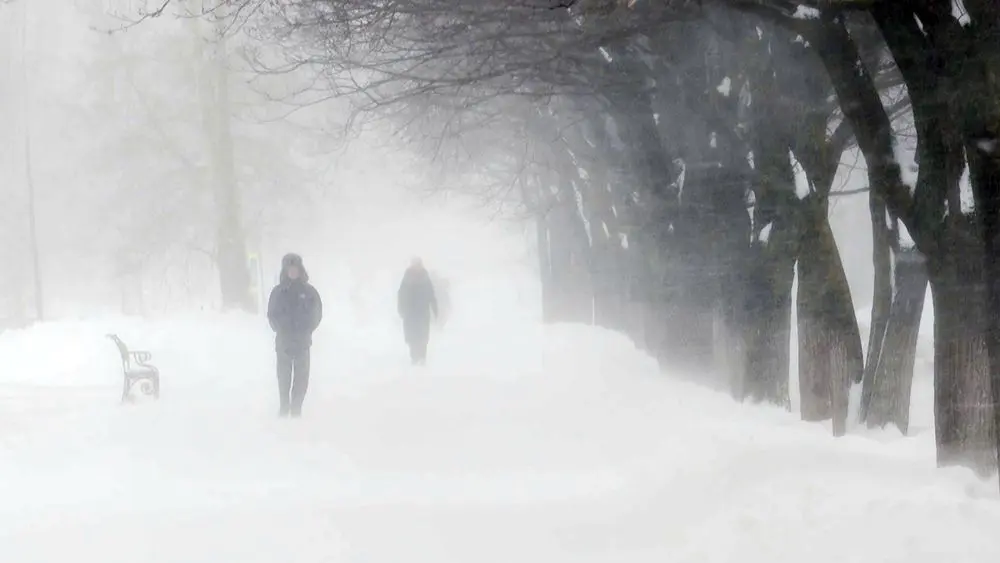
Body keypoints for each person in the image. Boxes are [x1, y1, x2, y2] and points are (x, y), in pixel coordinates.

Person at [267, 253, 322, 417]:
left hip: (303, 341)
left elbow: (317, 313)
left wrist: (307, 328)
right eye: (289, 269)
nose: (292, 272)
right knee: (283, 376)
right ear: (285, 271)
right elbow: (271, 314)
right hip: (283, 341)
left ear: (300, 270)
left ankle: (296, 407)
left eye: (295, 269)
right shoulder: (278, 292)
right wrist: (280, 327)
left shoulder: (309, 292)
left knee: (302, 377)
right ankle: (284, 405)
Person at [397, 257, 438, 365]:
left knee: (423, 336)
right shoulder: (406, 279)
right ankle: (414, 357)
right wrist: (401, 308)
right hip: (410, 313)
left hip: (422, 312)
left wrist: (435, 309)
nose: (416, 267)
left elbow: (431, 294)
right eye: (414, 265)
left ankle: (422, 357)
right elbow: (401, 294)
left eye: (418, 265)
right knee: (412, 336)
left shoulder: (425, 278)